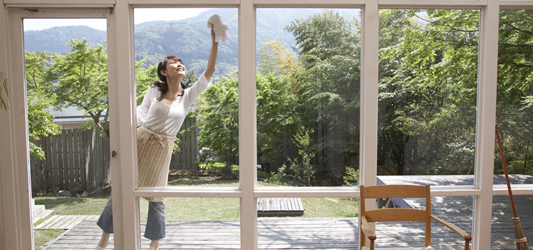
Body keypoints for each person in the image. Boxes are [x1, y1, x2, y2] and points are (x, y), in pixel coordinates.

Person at [94, 26, 218, 250]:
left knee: (158, 197)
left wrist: (215, 40)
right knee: (120, 190)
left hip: (163, 149)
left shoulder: (188, 95)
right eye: (173, 62)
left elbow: (209, 71)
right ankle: (104, 240)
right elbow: (139, 115)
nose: (179, 63)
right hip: (141, 141)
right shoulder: (154, 90)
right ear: (164, 71)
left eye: (181, 61)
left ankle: (153, 246)